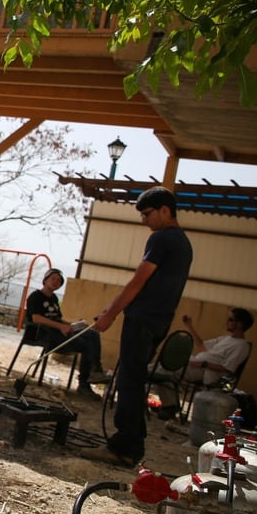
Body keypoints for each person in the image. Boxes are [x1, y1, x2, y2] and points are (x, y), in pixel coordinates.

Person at [83, 187, 192, 467]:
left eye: (147, 214)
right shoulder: (183, 242)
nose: (145, 220)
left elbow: (138, 281)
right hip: (158, 320)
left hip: (143, 318)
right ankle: (131, 441)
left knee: (129, 382)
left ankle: (125, 446)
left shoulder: (163, 238)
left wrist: (111, 312)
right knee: (133, 380)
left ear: (164, 210)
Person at [24, 267, 107, 400]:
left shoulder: (54, 298)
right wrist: (60, 326)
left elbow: (57, 317)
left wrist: (72, 325)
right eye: (53, 279)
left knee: (92, 334)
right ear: (45, 280)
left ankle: (95, 370)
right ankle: (84, 384)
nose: (55, 282)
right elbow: (36, 318)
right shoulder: (36, 296)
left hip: (58, 331)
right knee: (84, 344)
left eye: (58, 280)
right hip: (44, 334)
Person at [152, 308, 254, 416]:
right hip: (196, 365)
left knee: (165, 370)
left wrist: (203, 364)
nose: (227, 322)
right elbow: (201, 345)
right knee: (157, 367)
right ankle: (169, 405)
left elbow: (228, 368)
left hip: (206, 372)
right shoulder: (225, 339)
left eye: (230, 319)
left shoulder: (241, 346)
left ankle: (170, 406)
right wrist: (189, 326)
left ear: (240, 324)